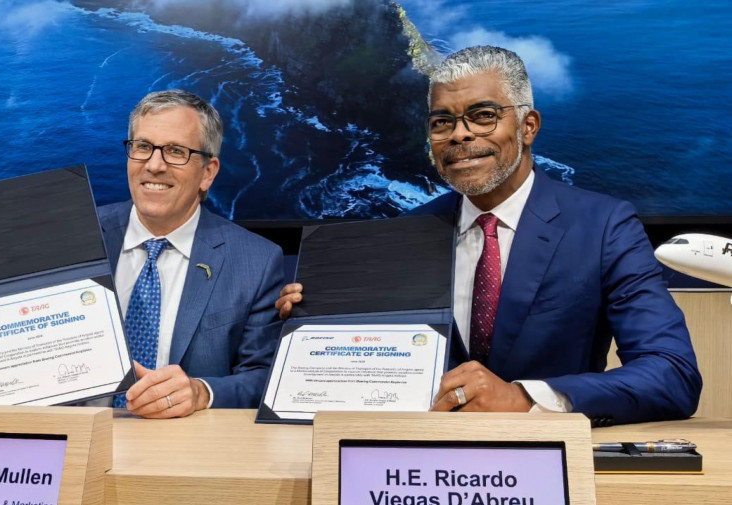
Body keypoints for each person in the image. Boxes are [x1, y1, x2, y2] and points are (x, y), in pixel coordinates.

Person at [276, 46, 701, 425]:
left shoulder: (605, 226)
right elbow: (366, 364)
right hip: (413, 467)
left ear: (528, 126)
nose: (459, 134)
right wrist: (311, 328)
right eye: (442, 122)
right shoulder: (404, 236)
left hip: (543, 466)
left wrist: (524, 398)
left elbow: (672, 373)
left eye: (482, 116)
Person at [0, 90, 284, 418]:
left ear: (207, 172)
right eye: (143, 146)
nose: (154, 164)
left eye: (175, 151)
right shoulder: (67, 234)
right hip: (67, 443)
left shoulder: (256, 261)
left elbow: (263, 377)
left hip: (183, 451)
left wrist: (202, 392)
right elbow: (21, 344)